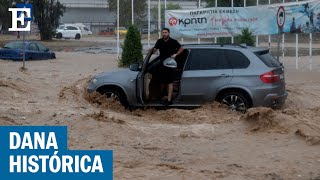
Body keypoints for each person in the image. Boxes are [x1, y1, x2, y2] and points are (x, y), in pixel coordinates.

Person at [151, 28, 184, 105]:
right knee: (162, 82)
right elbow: (155, 50)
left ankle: (169, 100)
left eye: (165, 32)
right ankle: (162, 97)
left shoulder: (173, 41)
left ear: (168, 33)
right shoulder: (159, 41)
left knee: (169, 82)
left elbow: (181, 48)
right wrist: (152, 50)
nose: (164, 34)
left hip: (170, 65)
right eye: (163, 32)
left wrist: (176, 54)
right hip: (162, 64)